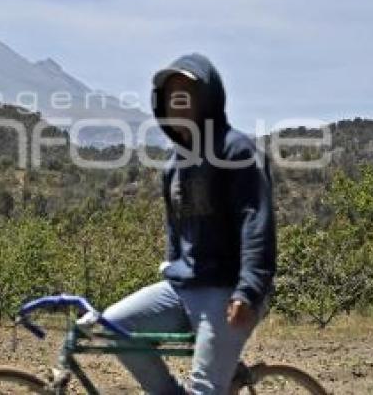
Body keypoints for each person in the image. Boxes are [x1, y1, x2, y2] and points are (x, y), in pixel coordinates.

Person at [101, 53, 277, 394]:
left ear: (208, 100)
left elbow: (256, 223)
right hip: (182, 288)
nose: (178, 105)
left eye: (187, 95)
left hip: (227, 288)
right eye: (171, 98)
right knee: (112, 326)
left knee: (205, 388)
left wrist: (249, 290)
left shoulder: (236, 151)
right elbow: (176, 232)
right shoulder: (174, 166)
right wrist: (173, 266)